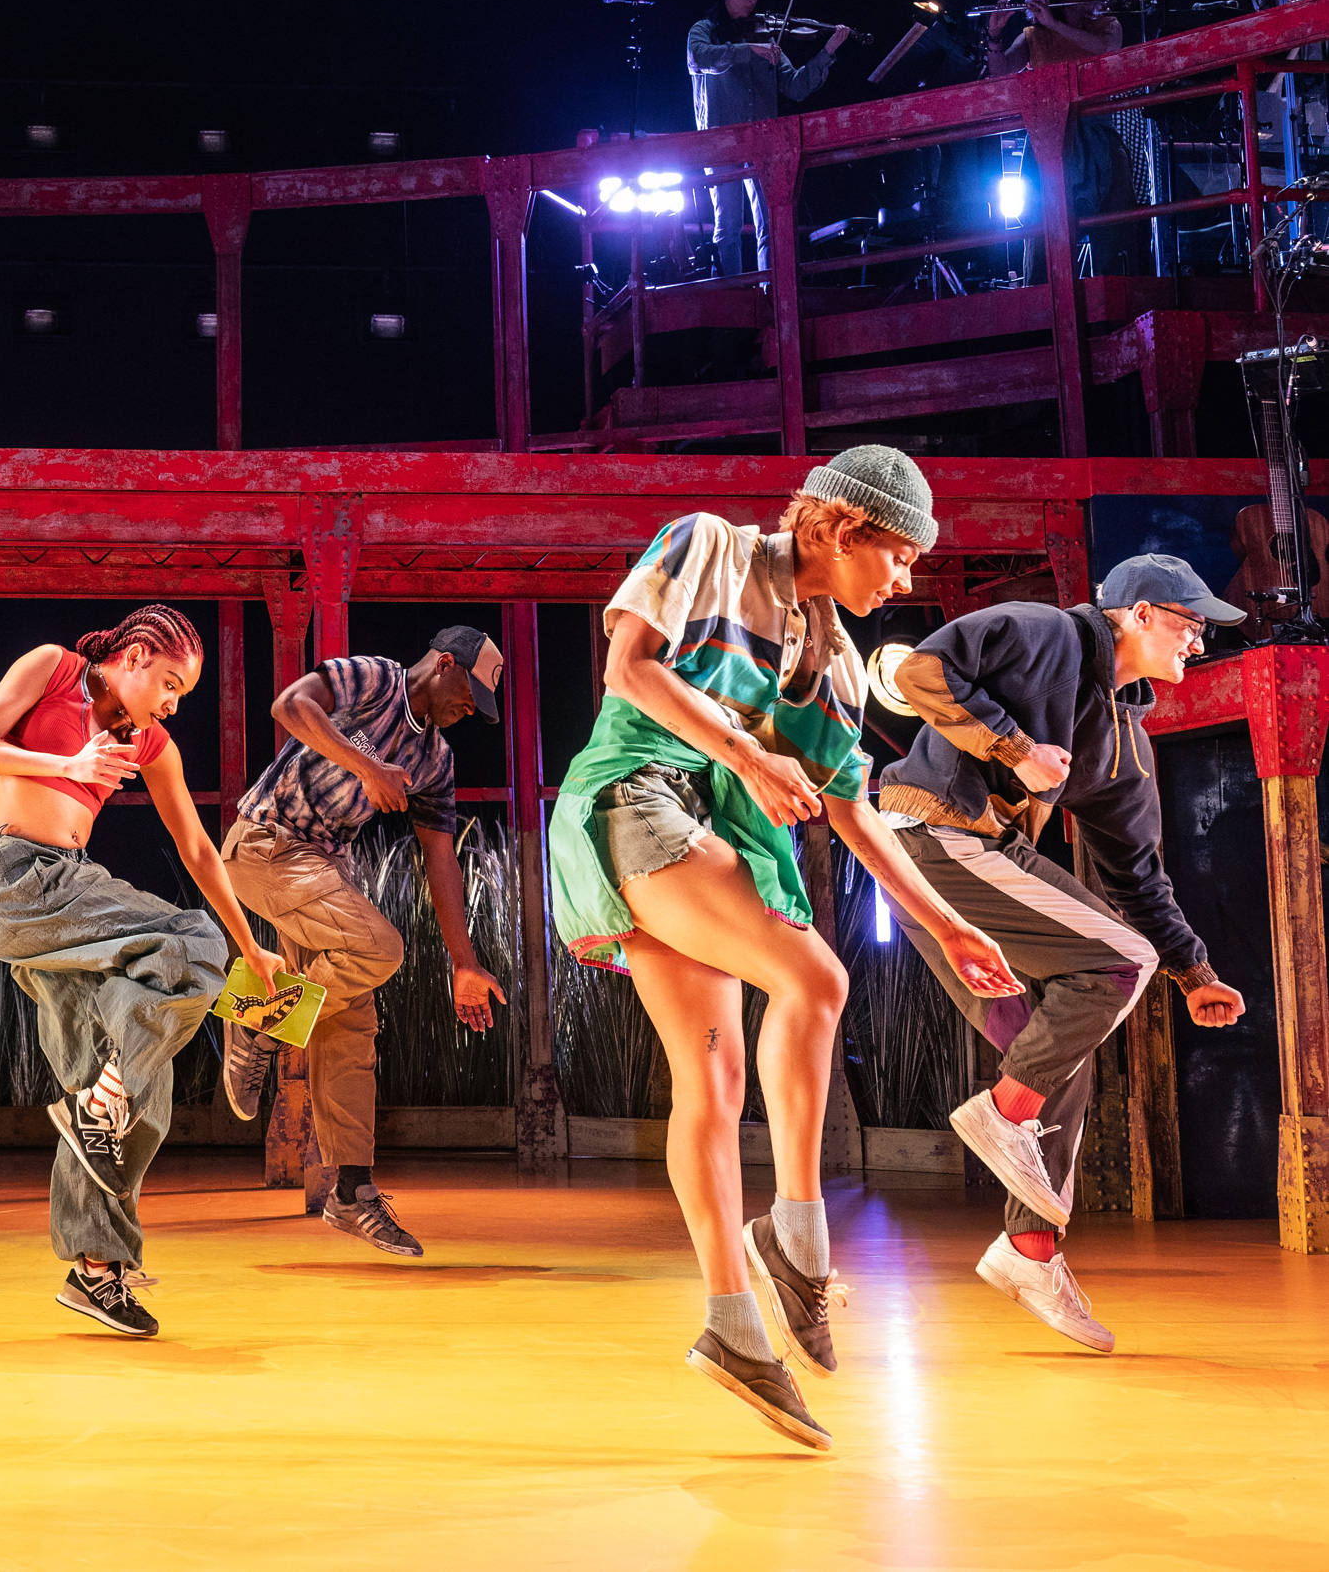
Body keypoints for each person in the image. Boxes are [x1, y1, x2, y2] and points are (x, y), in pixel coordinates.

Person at [549, 446, 1023, 1453]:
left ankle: (731, 1322)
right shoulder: (706, 544)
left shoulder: (835, 659)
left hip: (707, 818)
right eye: (897, 557)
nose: (904, 580)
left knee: (712, 1085)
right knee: (815, 975)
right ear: (843, 529)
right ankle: (796, 1234)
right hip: (634, 794)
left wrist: (943, 920)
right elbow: (625, 669)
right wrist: (749, 753)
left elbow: (852, 809)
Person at [876, 553, 1247, 1353]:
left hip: (972, 865)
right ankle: (1000, 1114)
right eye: (1190, 624)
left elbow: (1139, 876)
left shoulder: (1125, 746)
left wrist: (1197, 972)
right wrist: (1015, 749)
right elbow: (918, 670)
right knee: (1118, 963)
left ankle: (1029, 1251)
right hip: (931, 837)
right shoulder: (1044, 633)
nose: (1199, 643)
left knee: (1056, 1053)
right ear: (1139, 615)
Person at [0, 605, 286, 1339]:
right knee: (194, 940)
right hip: (17, 882)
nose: (173, 703)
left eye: (183, 694)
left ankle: (95, 1268)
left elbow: (201, 852)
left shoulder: (153, 744)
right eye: (169, 682)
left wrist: (255, 947)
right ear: (135, 656)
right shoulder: (53, 667)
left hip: (66, 907)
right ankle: (105, 1099)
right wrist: (65, 766)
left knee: (136, 1085)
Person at [217, 626, 510, 1259]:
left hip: (322, 868)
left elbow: (440, 857)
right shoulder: (375, 680)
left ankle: (350, 1191)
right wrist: (367, 765)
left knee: (351, 1018)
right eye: (472, 692)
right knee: (380, 950)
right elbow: (290, 705)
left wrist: (463, 961)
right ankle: (258, 1020)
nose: (471, 710)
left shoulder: (437, 761)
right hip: (265, 843)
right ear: (443, 663)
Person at [687, 0, 851, 276]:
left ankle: (771, 293)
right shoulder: (704, 30)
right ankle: (731, 297)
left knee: (771, 224)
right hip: (723, 144)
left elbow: (796, 86)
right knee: (728, 226)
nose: (753, 0)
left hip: (764, 143)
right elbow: (699, 57)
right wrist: (746, 51)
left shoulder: (764, 38)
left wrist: (828, 51)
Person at [987, 0, 1126, 234]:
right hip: (1048, 139)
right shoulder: (1033, 37)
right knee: (1044, 234)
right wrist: (995, 35)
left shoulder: (1107, 26)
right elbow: (1001, 71)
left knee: (1114, 230)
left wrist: (1053, 23)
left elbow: (1104, 49)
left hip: (1098, 138)